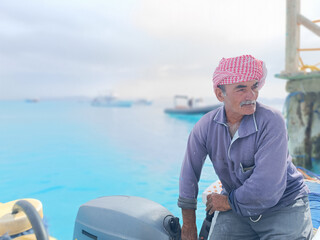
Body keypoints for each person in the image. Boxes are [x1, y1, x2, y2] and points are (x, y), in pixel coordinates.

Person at [178, 55, 313, 240]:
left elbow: (267, 186)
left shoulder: (272, 121)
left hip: (284, 205)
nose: (251, 96)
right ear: (220, 94)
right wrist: (188, 225)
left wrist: (227, 201)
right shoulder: (205, 126)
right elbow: (189, 174)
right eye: (241, 89)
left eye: (254, 86)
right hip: (237, 209)